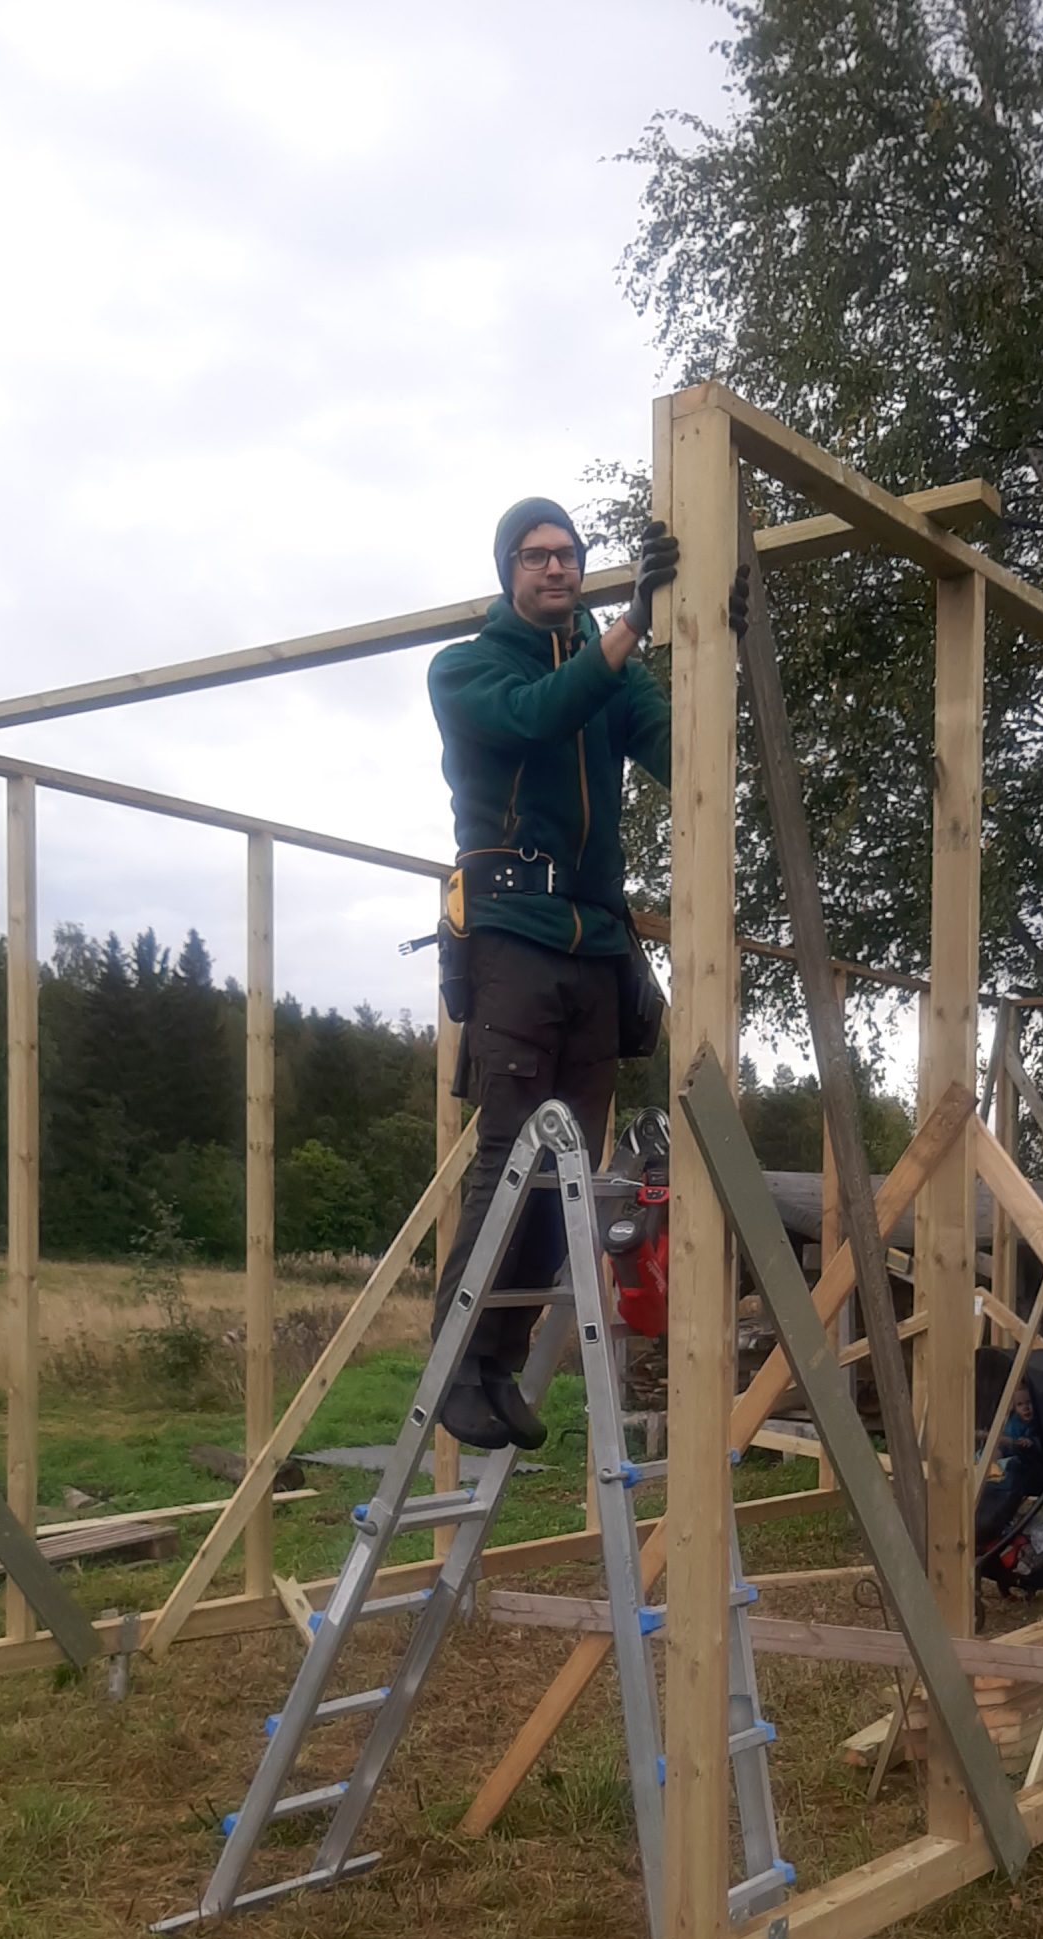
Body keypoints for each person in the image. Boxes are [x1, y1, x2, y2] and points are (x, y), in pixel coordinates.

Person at [427, 495, 747, 1450]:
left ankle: (503, 1350)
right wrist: (628, 637)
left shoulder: (608, 679)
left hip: (596, 946)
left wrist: (711, 648)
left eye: (569, 555)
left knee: (568, 1166)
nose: (557, 569)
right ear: (507, 572)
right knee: (511, 1146)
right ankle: (459, 1360)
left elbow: (687, 754)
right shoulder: (468, 668)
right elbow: (532, 720)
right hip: (512, 935)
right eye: (537, 557)